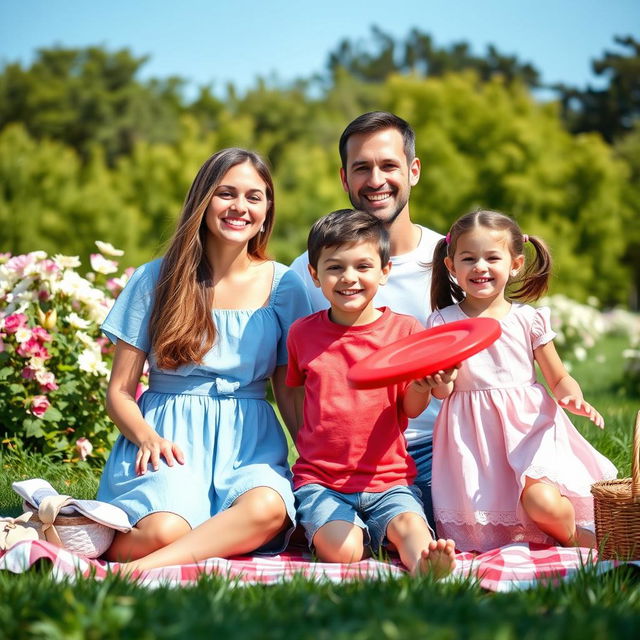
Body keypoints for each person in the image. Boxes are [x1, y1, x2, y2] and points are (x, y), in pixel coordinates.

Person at [96, 148, 311, 569]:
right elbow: (120, 392)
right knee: (165, 529)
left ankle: (139, 569)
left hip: (249, 441)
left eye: (254, 196)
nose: (239, 207)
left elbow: (288, 393)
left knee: (268, 508)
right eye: (225, 193)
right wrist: (147, 438)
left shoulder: (286, 285)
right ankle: (109, 535)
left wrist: (316, 456)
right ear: (202, 201)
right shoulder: (155, 278)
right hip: (168, 437)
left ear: (267, 209)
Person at [426, 209, 618, 552]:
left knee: (542, 501)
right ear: (452, 267)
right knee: (497, 510)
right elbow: (442, 390)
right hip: (473, 438)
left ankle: (580, 538)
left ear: (514, 264)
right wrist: (443, 376)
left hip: (529, 431)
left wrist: (571, 397)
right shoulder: (443, 322)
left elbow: (558, 377)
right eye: (468, 258)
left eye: (492, 258)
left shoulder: (526, 319)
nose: (480, 267)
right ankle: (576, 545)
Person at [290, 112, 442, 528]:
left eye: (389, 165)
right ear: (344, 178)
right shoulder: (305, 272)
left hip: (440, 447)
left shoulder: (452, 260)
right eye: (362, 168)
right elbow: (290, 373)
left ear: (413, 170)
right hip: (337, 468)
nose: (376, 179)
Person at [286, 209, 456, 577]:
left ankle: (424, 561)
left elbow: (409, 408)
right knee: (342, 550)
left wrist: (423, 387)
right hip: (322, 481)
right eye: (335, 268)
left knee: (411, 527)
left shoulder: (405, 331)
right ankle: (359, 538)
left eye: (363, 267)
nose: (349, 278)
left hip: (389, 477)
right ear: (314, 275)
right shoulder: (302, 334)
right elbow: (296, 391)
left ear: (385, 271)